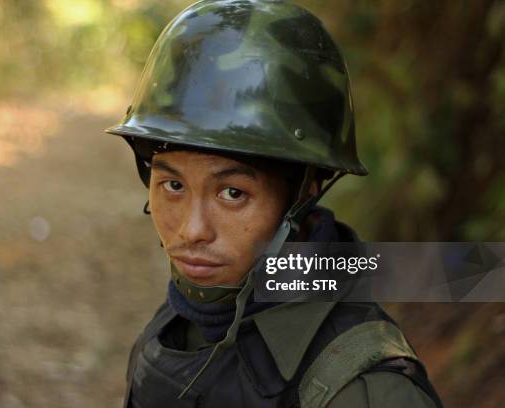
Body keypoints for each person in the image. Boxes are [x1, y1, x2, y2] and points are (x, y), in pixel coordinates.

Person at [106, 1, 443, 406]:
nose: (192, 230)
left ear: (306, 191)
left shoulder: (364, 391)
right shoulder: (178, 323)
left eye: (233, 193)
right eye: (173, 185)